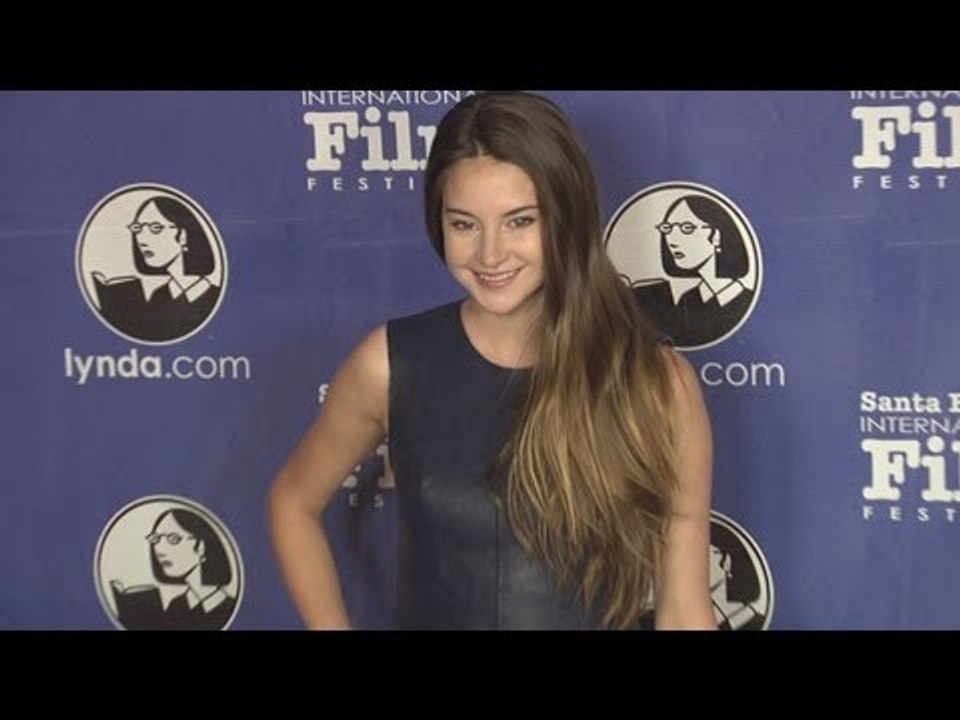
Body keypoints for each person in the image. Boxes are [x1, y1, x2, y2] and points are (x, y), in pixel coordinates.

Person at [268, 91, 716, 630]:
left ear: (566, 217)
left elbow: (684, 610)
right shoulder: (388, 363)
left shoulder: (656, 384)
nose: (490, 254)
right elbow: (293, 503)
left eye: (520, 221)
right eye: (464, 225)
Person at [630, 194, 754, 347]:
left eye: (686, 228)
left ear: (715, 236)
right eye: (668, 229)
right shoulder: (687, 299)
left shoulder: (743, 299)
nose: (672, 240)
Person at [93, 195, 221, 342]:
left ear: (182, 235)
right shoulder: (159, 296)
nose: (142, 239)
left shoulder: (214, 297)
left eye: (155, 228)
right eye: (138, 228)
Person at [112, 508, 237, 630]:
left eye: (173, 539)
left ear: (200, 547)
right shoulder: (177, 605)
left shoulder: (228, 609)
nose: (159, 551)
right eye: (156, 539)